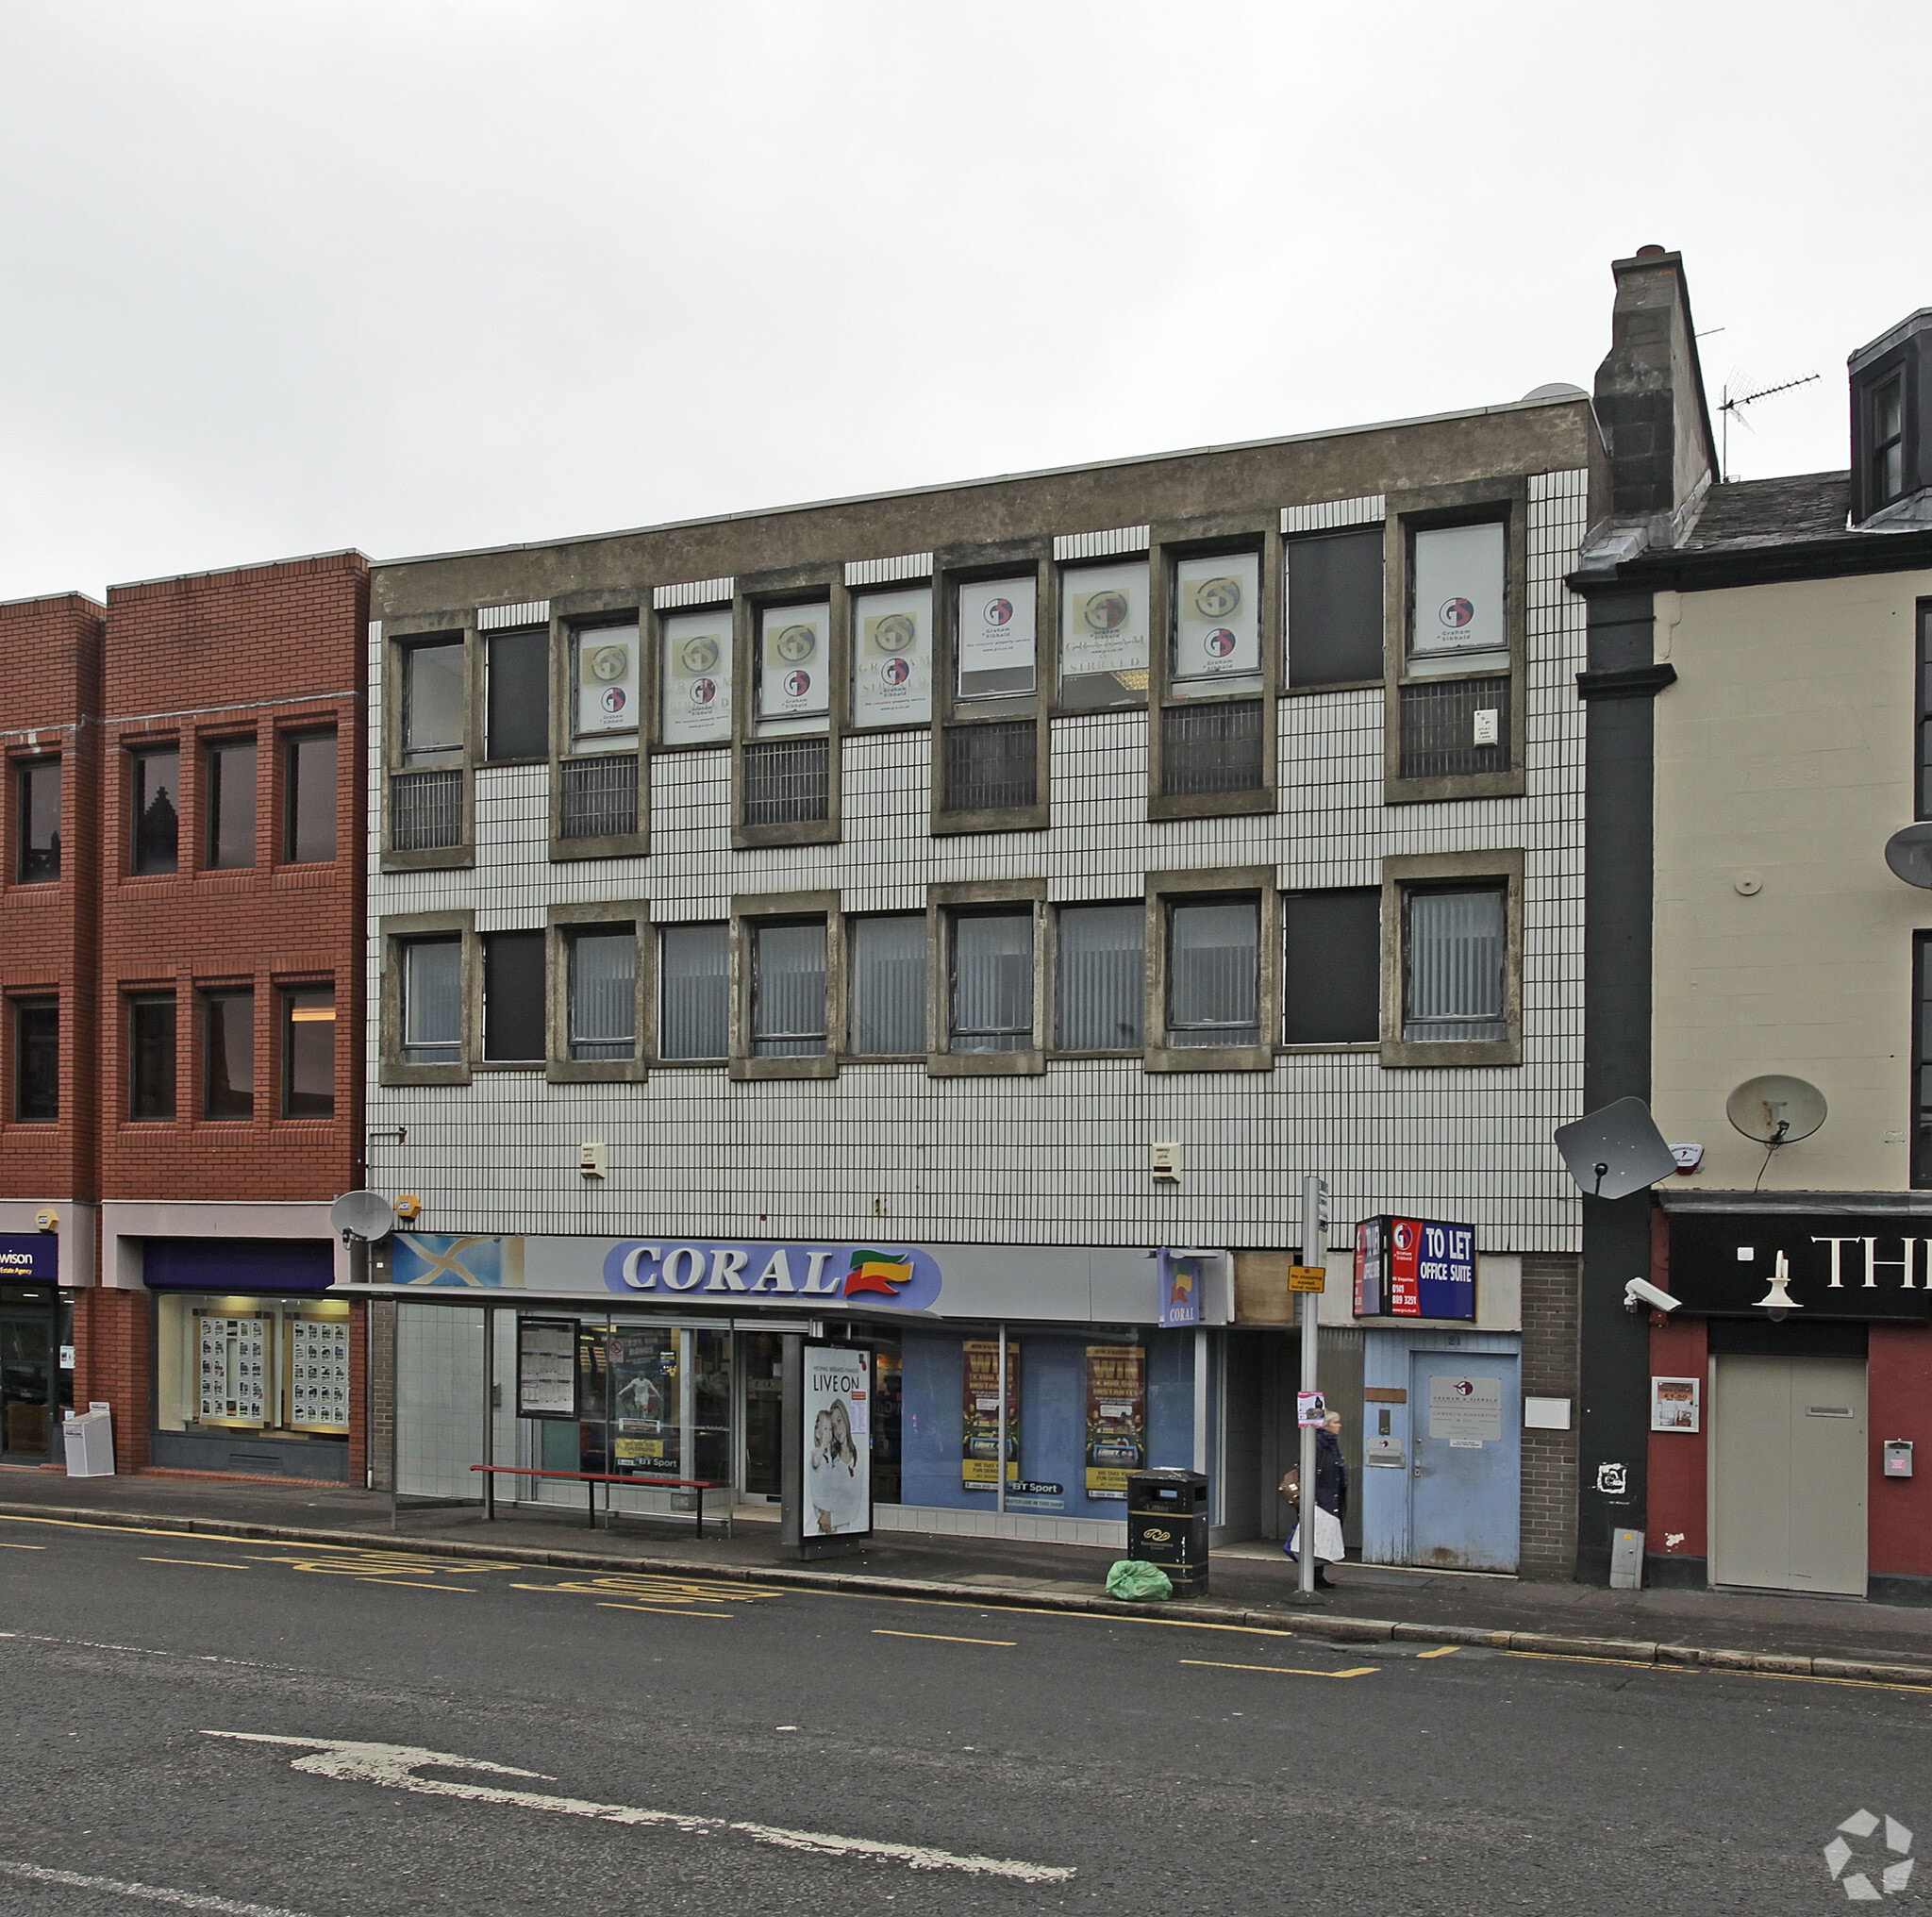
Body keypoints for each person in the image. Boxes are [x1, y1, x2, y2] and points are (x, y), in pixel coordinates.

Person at [1281, 1411, 1350, 1589]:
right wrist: (1312, 1498)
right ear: (1325, 1425)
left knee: (1322, 1539)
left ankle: (1317, 1576)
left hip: (1330, 1498)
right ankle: (1310, 1578)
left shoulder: (1331, 1445)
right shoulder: (1318, 1445)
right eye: (1335, 1422)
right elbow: (1308, 1473)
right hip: (1320, 1500)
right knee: (1313, 1539)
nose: (1339, 1425)